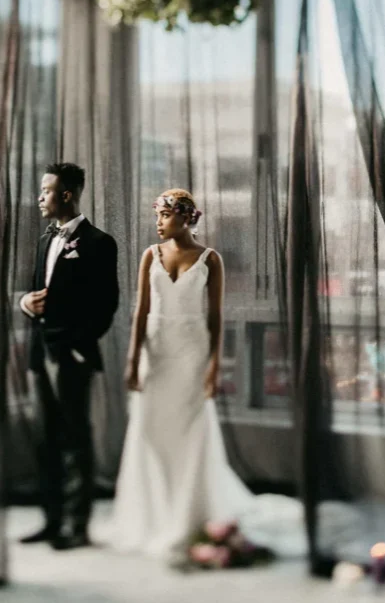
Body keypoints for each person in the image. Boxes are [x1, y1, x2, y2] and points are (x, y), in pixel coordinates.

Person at [100, 189, 305, 561]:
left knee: (191, 432)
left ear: (184, 217)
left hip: (192, 354)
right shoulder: (150, 256)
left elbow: (215, 319)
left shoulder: (211, 259)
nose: (158, 222)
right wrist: (132, 362)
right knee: (148, 428)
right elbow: (141, 312)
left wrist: (213, 369)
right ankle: (155, 511)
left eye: (164, 215)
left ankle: (190, 512)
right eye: (157, 215)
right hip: (156, 353)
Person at [18, 163, 119, 550]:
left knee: (75, 440)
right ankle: (51, 520)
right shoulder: (45, 239)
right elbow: (35, 292)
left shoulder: (99, 243)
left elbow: (106, 305)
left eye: (45, 191)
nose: (39, 197)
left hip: (72, 356)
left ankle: (76, 526)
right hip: (39, 354)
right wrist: (26, 304)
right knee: (45, 439)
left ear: (66, 194)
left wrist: (78, 347)